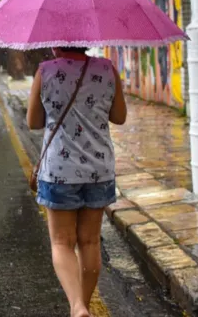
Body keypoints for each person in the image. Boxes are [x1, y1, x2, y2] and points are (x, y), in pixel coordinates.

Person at [26, 47, 127, 317]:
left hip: (60, 170)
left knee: (61, 242)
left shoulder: (45, 71)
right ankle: (81, 304)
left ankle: (77, 307)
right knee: (90, 242)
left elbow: (33, 122)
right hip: (99, 170)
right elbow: (119, 117)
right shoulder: (107, 69)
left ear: (56, 42)